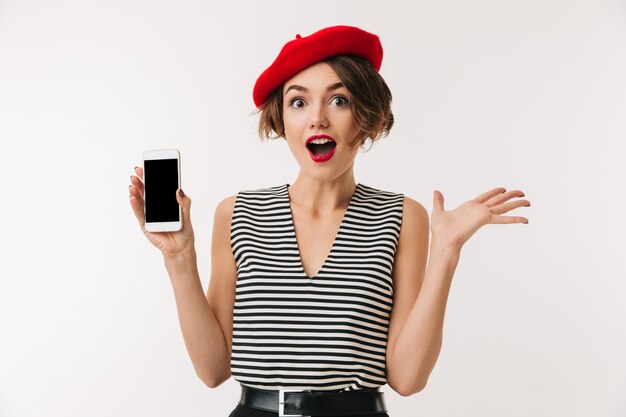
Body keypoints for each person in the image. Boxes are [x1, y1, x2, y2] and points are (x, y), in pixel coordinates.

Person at [129, 25, 531, 417]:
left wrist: (445, 251)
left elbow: (408, 378)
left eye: (339, 101)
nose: (317, 119)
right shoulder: (237, 213)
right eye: (299, 102)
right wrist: (178, 258)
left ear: (366, 116)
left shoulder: (403, 216)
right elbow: (212, 369)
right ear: (281, 120)